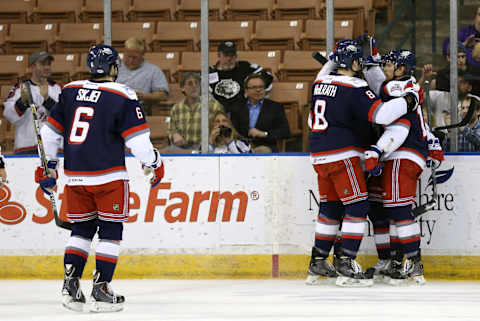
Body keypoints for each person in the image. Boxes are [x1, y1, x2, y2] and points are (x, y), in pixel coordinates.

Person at [34, 45, 164, 313]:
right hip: (109, 177)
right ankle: (102, 288)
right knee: (110, 231)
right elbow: (138, 143)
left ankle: (71, 286)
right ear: (114, 68)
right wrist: (154, 162)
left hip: (75, 178)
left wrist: (49, 167)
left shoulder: (69, 91)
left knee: (81, 229)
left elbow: (49, 135)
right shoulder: (123, 94)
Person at [305, 39, 421, 287]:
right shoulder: (355, 86)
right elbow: (383, 115)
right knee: (357, 207)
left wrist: (331, 62)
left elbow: (312, 111)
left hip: (318, 155)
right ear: (354, 62)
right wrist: (409, 100)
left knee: (330, 208)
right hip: (342, 155)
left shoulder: (319, 83)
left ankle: (318, 260)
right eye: (358, 59)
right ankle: (346, 261)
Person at [363, 49, 444, 285]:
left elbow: (384, 90)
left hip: (403, 153)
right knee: (381, 211)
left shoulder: (403, 88)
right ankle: (393, 262)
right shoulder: (403, 85)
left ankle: (413, 265)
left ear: (401, 69)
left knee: (398, 211)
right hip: (395, 154)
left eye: (390, 65)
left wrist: (371, 65)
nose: (387, 69)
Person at [3, 51, 61, 154]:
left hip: (52, 147)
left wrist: (48, 100)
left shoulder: (57, 89)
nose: (47, 67)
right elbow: (8, 114)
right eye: (43, 64)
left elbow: (64, 116)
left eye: (48, 64)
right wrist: (22, 103)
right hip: (26, 146)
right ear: (33, 66)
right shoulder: (20, 88)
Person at [229, 74, 290, 153]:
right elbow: (233, 130)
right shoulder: (237, 107)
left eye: (261, 87)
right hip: (241, 146)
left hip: (265, 145)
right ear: (246, 91)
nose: (258, 90)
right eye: (254, 87)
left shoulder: (275, 107)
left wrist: (264, 134)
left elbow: (285, 131)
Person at [209, 41, 274, 114]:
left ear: (236, 56)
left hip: (243, 112)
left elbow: (268, 76)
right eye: (226, 55)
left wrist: (250, 88)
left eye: (232, 55)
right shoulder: (210, 72)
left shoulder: (245, 67)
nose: (229, 58)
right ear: (219, 55)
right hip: (218, 113)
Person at [167, 72, 224, 151]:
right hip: (182, 148)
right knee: (165, 152)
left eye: (197, 83)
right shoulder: (176, 108)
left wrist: (210, 140)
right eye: (190, 84)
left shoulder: (213, 106)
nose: (194, 86)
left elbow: (222, 127)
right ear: (182, 88)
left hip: (206, 146)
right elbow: (171, 129)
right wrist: (174, 135)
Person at [116, 37, 169, 115]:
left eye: (134, 57)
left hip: (139, 109)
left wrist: (143, 96)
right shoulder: (115, 68)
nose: (130, 60)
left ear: (142, 55)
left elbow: (163, 95)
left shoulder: (153, 71)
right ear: (124, 52)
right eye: (128, 56)